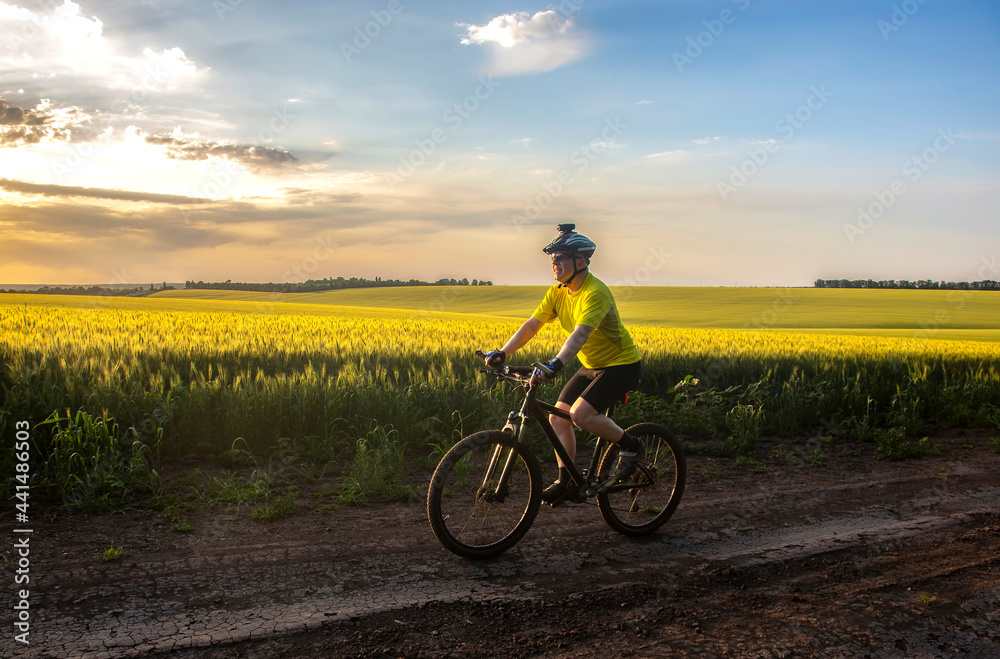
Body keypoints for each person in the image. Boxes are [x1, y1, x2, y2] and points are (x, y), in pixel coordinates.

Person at [483, 224, 644, 505]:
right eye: (552, 258)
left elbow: (580, 333)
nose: (554, 263)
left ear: (580, 262)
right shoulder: (558, 292)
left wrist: (556, 363)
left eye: (560, 257)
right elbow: (533, 324)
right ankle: (566, 480)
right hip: (591, 364)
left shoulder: (596, 293)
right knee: (558, 416)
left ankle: (631, 445)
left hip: (622, 365)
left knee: (581, 416)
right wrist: (504, 352)